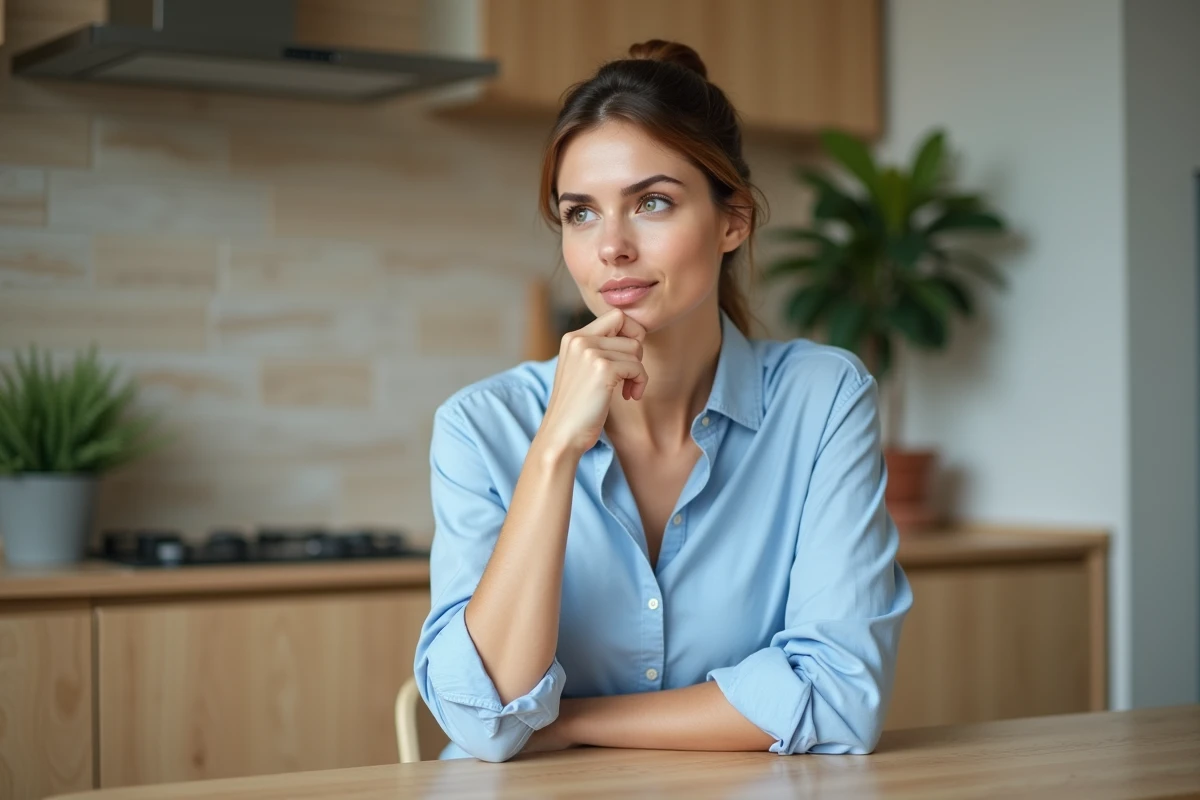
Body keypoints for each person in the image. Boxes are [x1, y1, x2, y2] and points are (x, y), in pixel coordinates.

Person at [413, 39, 913, 763]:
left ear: (733, 220)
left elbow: (837, 698)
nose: (611, 246)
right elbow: (484, 719)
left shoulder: (822, 400)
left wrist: (574, 722)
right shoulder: (481, 426)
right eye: (580, 213)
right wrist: (554, 450)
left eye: (651, 202)